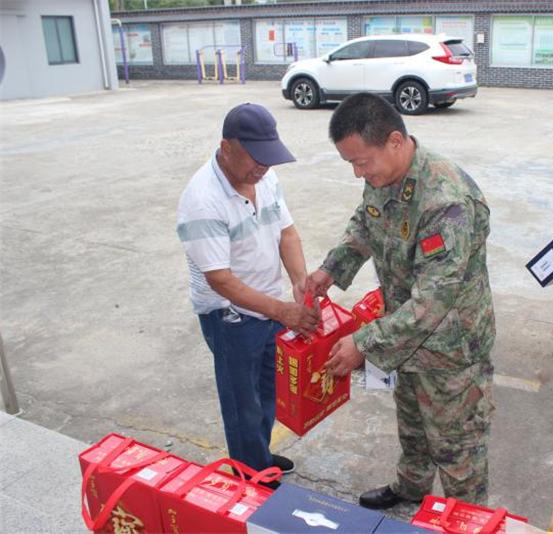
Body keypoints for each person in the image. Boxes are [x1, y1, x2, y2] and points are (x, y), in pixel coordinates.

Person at [305, 93, 496, 509]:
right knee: (412, 424)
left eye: (362, 162)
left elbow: (433, 300)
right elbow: (364, 223)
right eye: (350, 164)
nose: (359, 174)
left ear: (395, 140)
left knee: (457, 447)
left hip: (451, 350)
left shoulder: (445, 200)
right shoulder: (383, 179)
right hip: (404, 335)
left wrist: (364, 343)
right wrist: (331, 269)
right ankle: (411, 489)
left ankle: (468, 517)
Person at [176, 103, 319, 478]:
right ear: (226, 147)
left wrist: (299, 282)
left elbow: (286, 232)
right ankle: (249, 474)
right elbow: (220, 280)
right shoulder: (202, 200)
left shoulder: (264, 179)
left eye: (268, 159)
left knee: (268, 390)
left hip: (269, 306)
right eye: (256, 158)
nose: (263, 167)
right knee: (243, 403)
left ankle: (260, 455)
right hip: (230, 316)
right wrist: (283, 311)